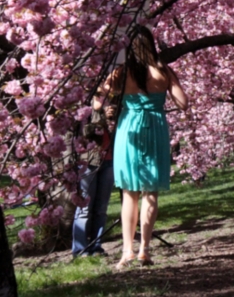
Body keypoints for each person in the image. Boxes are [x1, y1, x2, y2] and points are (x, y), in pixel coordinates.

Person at [95, 25, 188, 269]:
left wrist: (110, 105)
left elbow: (96, 101)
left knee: (129, 192)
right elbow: (183, 103)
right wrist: (165, 87)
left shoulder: (122, 72)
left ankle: (127, 251)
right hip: (155, 128)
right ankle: (145, 249)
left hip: (130, 130)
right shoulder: (163, 71)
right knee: (150, 191)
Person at [72, 105, 115, 257]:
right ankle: (80, 249)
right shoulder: (85, 103)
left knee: (101, 209)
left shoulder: (115, 98)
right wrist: (102, 115)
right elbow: (86, 132)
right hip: (88, 161)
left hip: (109, 160)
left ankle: (96, 246)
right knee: (85, 208)